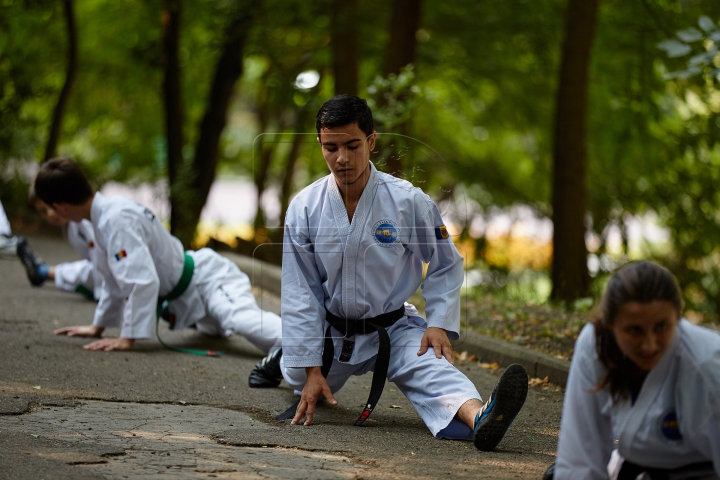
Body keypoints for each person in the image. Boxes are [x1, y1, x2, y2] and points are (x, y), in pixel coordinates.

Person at [274, 94, 528, 451]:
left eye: (352, 145)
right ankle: (282, 355)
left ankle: (482, 416)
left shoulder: (408, 202)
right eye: (331, 147)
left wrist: (437, 322)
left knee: (433, 370)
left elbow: (445, 262)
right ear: (319, 144)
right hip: (333, 331)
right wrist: (311, 370)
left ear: (371, 141)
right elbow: (302, 291)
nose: (342, 158)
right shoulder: (304, 208)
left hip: (392, 327)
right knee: (295, 377)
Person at [33, 158, 284, 387]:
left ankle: (309, 342)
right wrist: (99, 325)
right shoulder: (103, 217)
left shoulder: (114, 219)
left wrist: (127, 337)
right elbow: (110, 278)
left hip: (209, 279)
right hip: (188, 298)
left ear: (60, 207)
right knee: (217, 329)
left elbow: (141, 280)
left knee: (241, 320)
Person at [549, 261, 720, 479]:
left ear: (678, 317)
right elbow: (579, 458)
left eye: (661, 327)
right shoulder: (595, 346)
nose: (649, 345)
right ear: (611, 325)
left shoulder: (707, 367)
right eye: (634, 330)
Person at [16, 190, 100, 300]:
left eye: (52, 206)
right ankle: (41, 271)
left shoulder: (82, 221)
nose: (50, 214)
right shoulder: (69, 226)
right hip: (102, 273)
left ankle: (41, 271)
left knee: (85, 272)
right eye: (43, 211)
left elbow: (100, 261)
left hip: (110, 272)